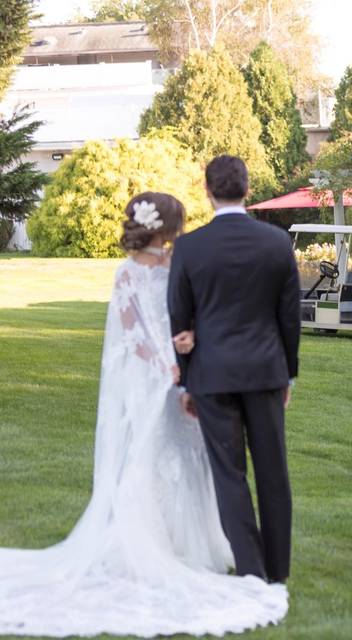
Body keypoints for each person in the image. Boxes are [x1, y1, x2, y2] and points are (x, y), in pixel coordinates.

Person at [0, 192, 287, 637]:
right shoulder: (127, 273)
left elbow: (192, 314)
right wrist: (167, 366)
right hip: (151, 379)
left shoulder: (179, 264)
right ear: (164, 227)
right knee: (153, 455)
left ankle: (198, 544)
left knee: (192, 456)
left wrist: (189, 355)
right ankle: (150, 545)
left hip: (187, 373)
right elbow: (132, 331)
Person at [169, 155, 301, 584]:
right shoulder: (277, 243)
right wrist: (289, 375)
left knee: (229, 476)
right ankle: (278, 573)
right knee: (273, 474)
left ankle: (251, 569)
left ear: (207, 191)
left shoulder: (189, 246)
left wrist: (186, 379)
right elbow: (289, 318)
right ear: (248, 189)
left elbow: (179, 318)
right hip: (265, 372)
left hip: (211, 374)